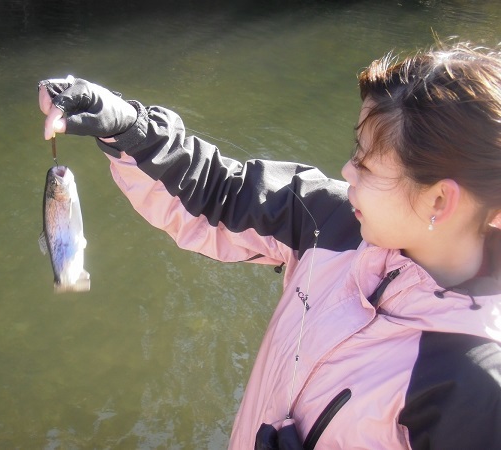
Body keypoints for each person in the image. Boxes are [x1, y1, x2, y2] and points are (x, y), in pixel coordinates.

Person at [38, 42, 501, 449]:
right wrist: (128, 126)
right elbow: (221, 194)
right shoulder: (332, 221)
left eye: (367, 164)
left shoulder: (475, 390)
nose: (346, 170)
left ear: (440, 199)